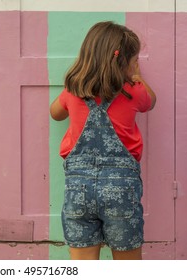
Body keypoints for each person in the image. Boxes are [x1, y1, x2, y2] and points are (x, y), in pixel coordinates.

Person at [50, 21, 156, 260]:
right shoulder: (134, 90)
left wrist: (72, 93)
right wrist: (137, 77)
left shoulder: (73, 89)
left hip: (79, 191)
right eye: (134, 60)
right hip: (121, 191)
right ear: (125, 63)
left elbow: (55, 113)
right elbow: (151, 101)